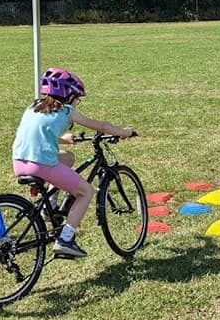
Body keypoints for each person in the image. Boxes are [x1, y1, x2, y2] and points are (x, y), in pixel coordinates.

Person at [12, 67, 135, 258]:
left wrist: (61, 139)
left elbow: (34, 132)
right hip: (42, 164)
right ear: (68, 96)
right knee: (86, 192)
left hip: (19, 162)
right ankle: (66, 239)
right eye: (76, 99)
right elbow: (101, 126)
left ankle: (49, 205)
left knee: (68, 158)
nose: (76, 103)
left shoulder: (33, 106)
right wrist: (125, 132)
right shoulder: (67, 111)